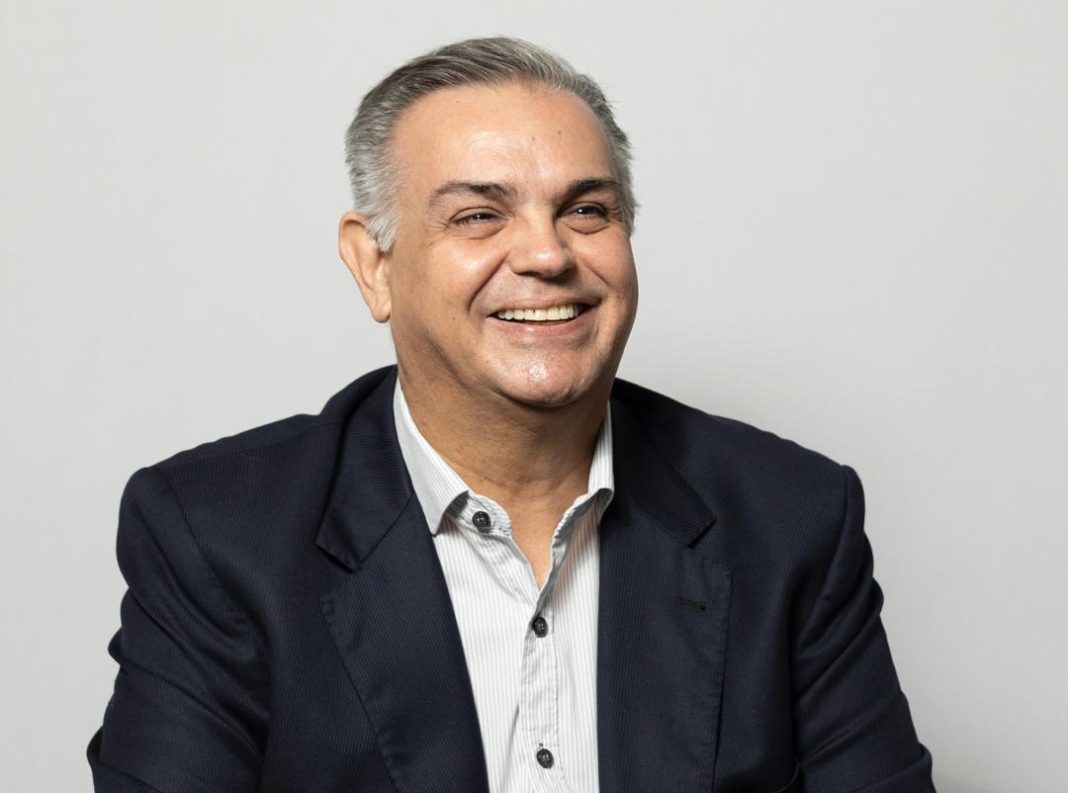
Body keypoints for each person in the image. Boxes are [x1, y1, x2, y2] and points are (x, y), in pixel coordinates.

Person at [88, 37, 935, 793]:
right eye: (478, 215)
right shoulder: (216, 535)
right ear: (374, 265)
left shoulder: (792, 519)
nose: (545, 254)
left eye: (586, 210)